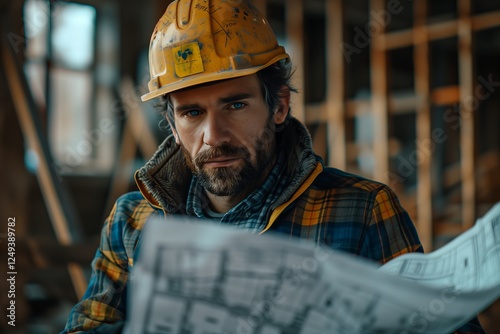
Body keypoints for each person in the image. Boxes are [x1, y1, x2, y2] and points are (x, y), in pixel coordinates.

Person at [62, 0, 485, 333]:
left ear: (279, 105)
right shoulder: (132, 221)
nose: (214, 136)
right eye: (192, 113)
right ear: (173, 126)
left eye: (236, 104)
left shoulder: (362, 210)